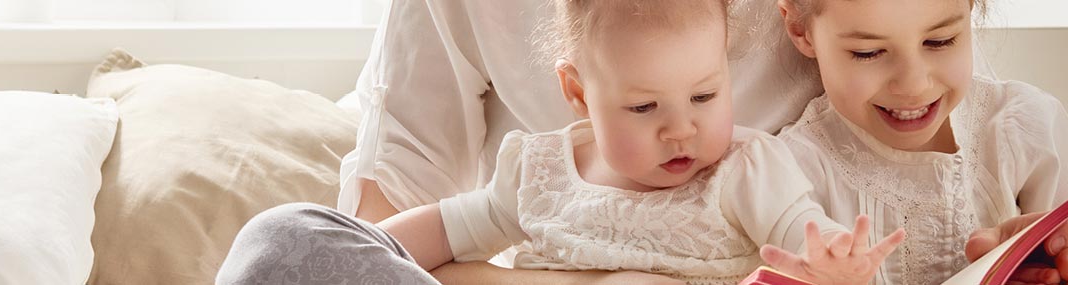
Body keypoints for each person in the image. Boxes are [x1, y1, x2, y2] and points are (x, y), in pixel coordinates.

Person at [218, 1, 906, 284]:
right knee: (282, 236)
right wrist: (365, 250)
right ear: (578, 92)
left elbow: (801, 235)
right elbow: (446, 227)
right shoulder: (543, 168)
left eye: (704, 96)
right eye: (643, 106)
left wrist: (838, 264)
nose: (681, 129)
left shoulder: (746, 167)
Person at [771, 0, 1068, 284]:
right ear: (800, 30)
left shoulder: (1023, 126)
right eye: (867, 52)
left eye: (940, 41)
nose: (914, 85)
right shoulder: (789, 171)